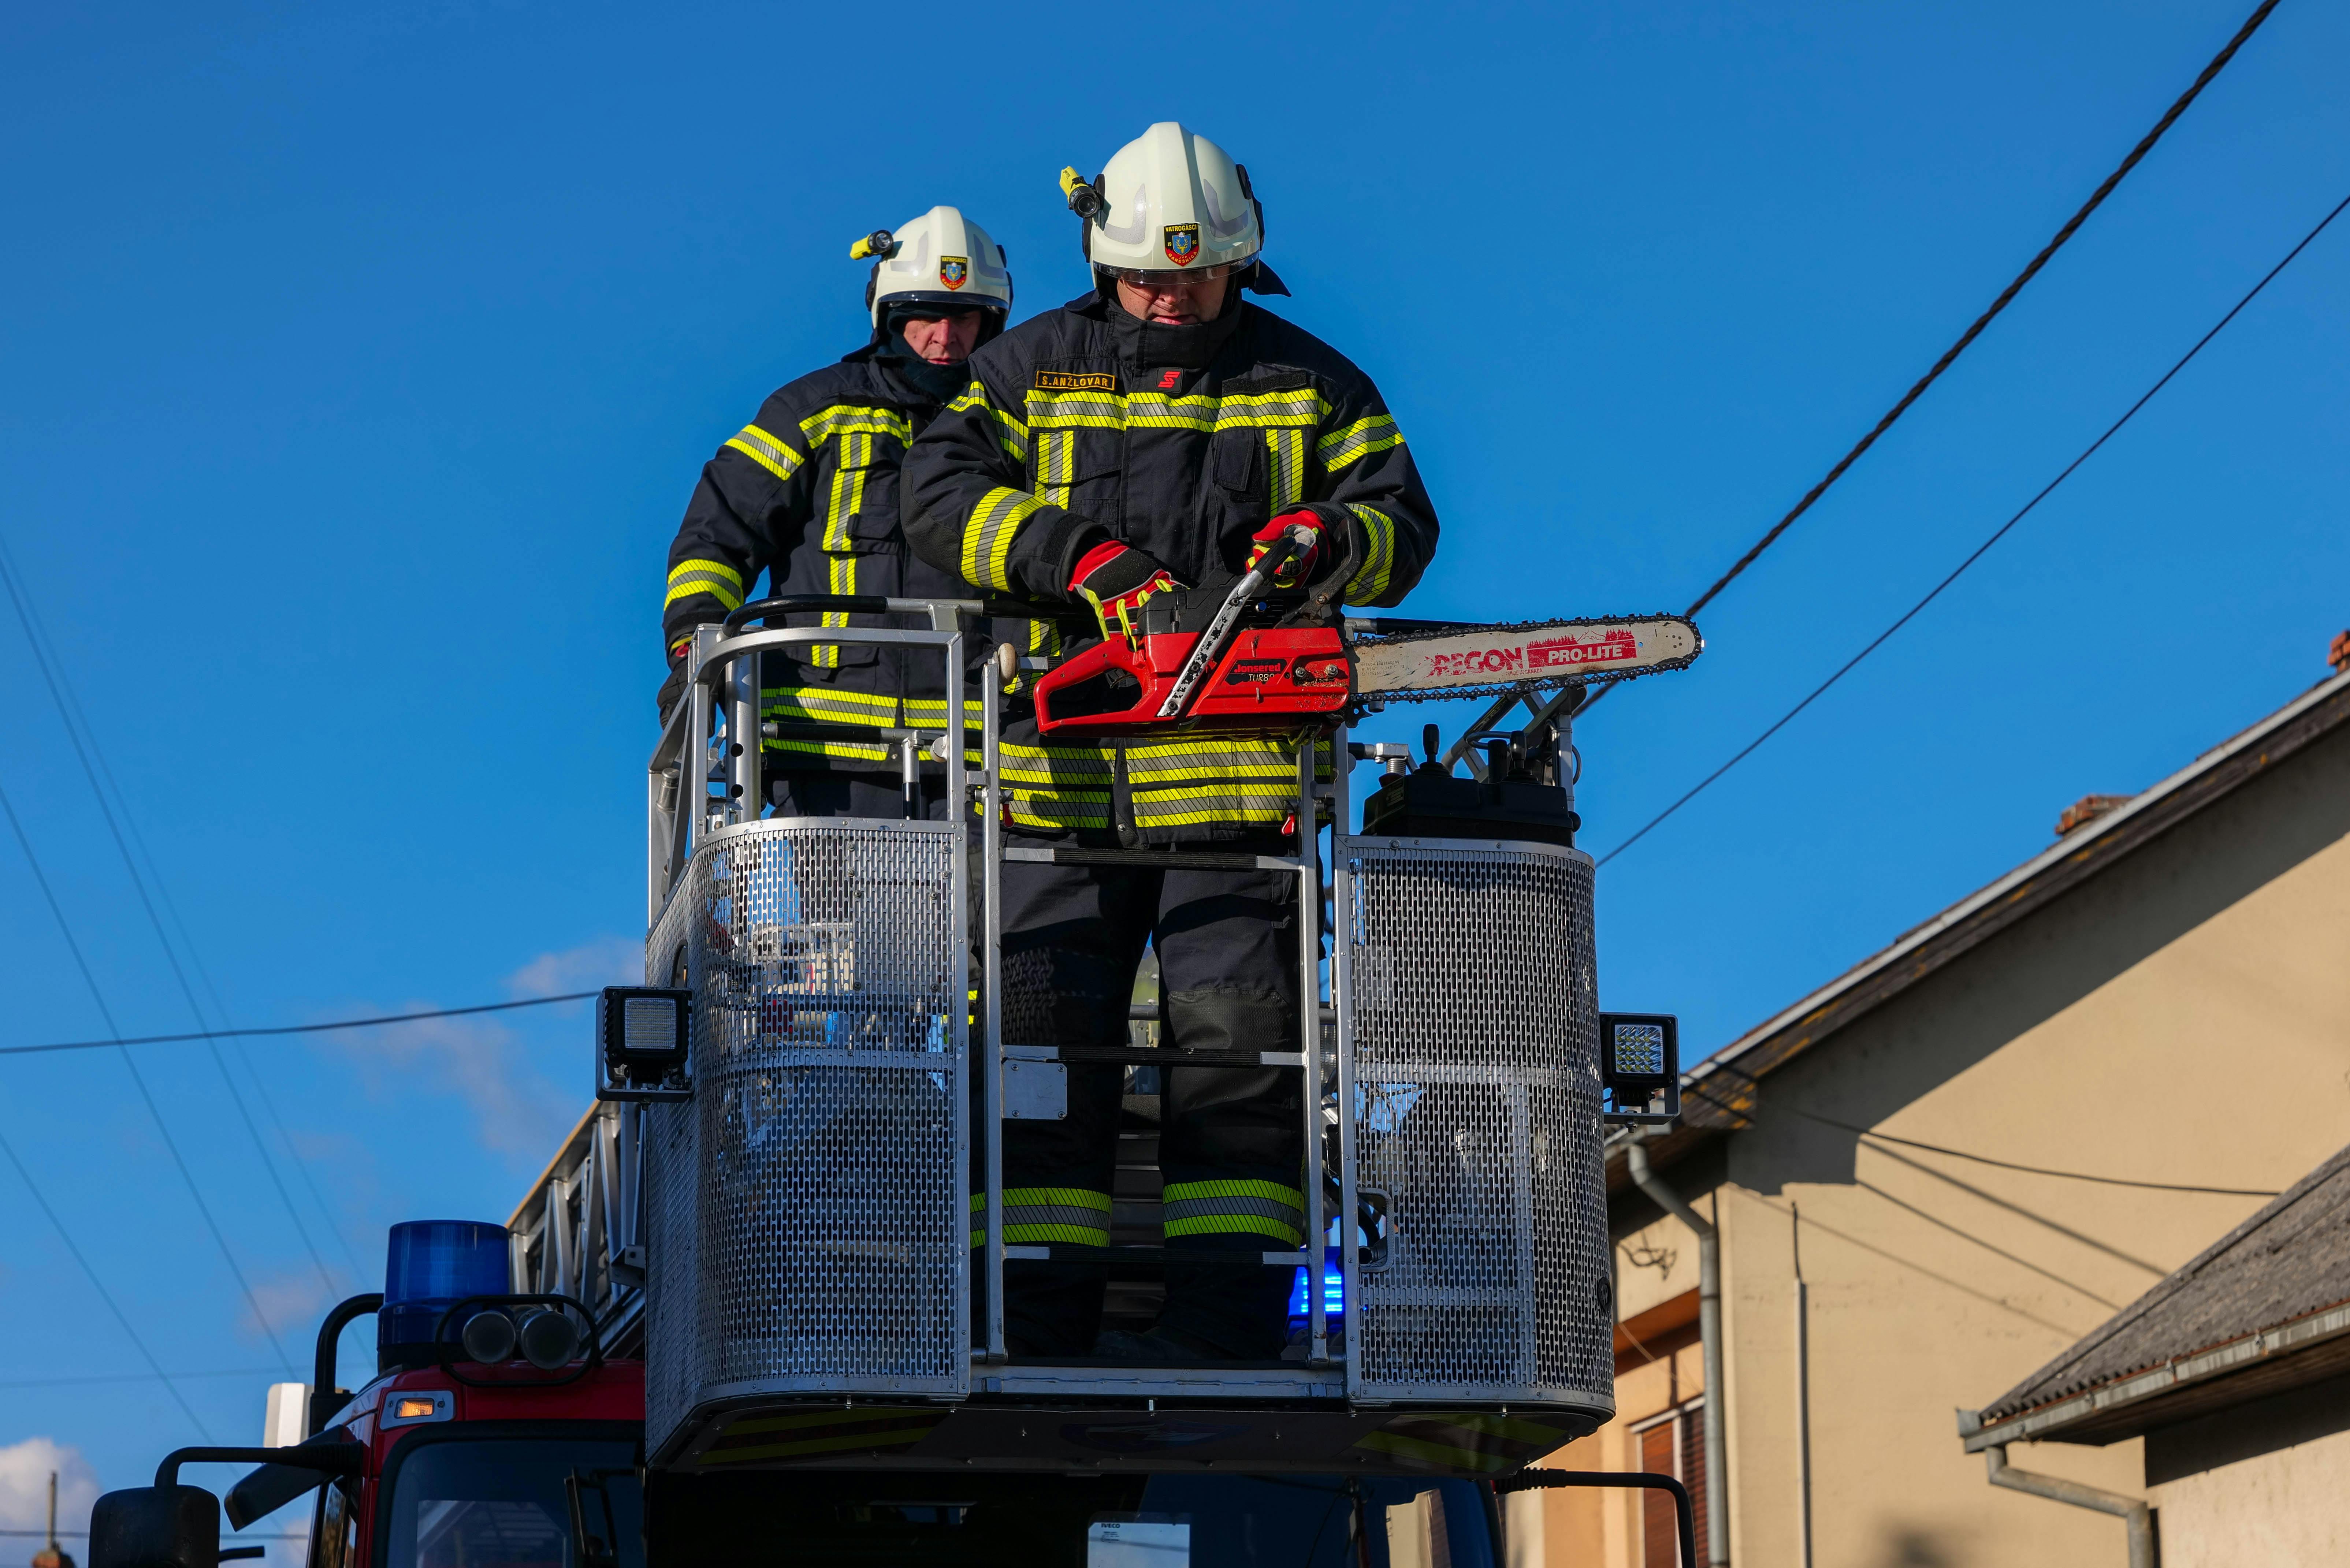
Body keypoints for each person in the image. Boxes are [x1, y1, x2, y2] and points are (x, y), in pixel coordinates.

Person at [901, 123, 1439, 1361]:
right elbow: (933, 499)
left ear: (1236, 264)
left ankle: (1225, 1336)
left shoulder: (1314, 379)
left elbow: (1399, 521)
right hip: (1058, 796)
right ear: (1103, 262)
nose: (1170, 299)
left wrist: (1321, 538)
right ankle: (1030, 1337)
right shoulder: (1029, 368)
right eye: (1148, 278)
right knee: (1040, 1083)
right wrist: (1076, 559)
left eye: (1193, 279)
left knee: (1238, 1087)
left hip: (1239, 812)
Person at [659, 205, 1022, 823]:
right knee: (856, 926)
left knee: (994, 923)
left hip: (988, 748)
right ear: (889, 315)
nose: (945, 336)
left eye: (963, 316)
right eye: (924, 316)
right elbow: (718, 533)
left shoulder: (1017, 422)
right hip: (825, 751)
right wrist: (697, 647)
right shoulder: (815, 410)